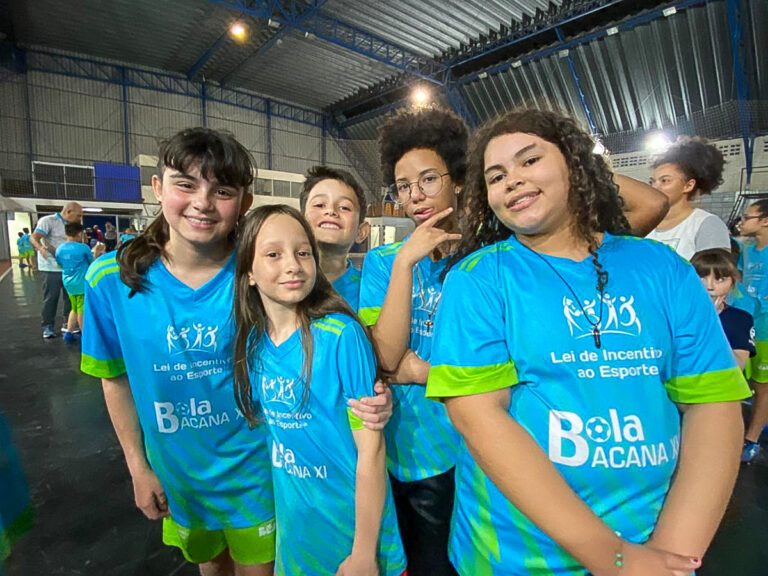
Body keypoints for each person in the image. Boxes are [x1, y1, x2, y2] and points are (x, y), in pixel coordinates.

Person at [426, 109, 749, 576]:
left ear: (576, 168)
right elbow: (478, 418)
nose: (512, 180)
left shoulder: (662, 269)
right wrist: (614, 559)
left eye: (530, 160)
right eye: (496, 176)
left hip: (652, 537)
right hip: (514, 557)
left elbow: (714, 406)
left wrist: (672, 554)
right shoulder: (480, 278)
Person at [360, 106, 670, 576]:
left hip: (507, 448)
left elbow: (649, 206)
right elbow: (386, 361)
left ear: (461, 177)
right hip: (418, 449)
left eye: (428, 178)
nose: (416, 195)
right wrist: (407, 265)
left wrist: (562, 158)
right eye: (403, 186)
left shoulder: (507, 248)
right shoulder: (386, 262)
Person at [80, 128, 276, 576]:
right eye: (185, 184)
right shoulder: (110, 279)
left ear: (244, 203)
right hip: (180, 479)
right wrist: (137, 466)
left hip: (258, 471)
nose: (203, 203)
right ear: (158, 188)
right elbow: (115, 378)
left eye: (222, 191)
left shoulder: (259, 273)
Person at [232, 204, 407, 576]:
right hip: (298, 540)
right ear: (248, 272)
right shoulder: (253, 345)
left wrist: (363, 552)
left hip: (353, 535)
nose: (292, 264)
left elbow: (371, 453)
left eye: (302, 252)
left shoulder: (341, 336)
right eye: (273, 254)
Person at [646, 136, 730, 259]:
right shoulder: (645, 224)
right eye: (652, 182)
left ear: (688, 185)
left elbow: (715, 273)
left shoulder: (706, 224)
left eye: (665, 180)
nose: (655, 187)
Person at [299, 166, 370, 310]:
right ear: (299, 222)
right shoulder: (284, 282)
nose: (331, 211)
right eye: (319, 205)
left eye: (344, 207)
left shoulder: (370, 289)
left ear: (361, 232)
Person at [734, 199, 768, 462]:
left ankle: (752, 439)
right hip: (748, 324)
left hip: (767, 328)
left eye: (748, 217)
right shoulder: (747, 250)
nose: (742, 221)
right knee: (738, 381)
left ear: (765, 221)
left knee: (763, 385)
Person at [691, 249, 755, 370]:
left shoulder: (740, 319)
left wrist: (712, 321)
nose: (709, 286)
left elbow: (738, 365)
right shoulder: (677, 316)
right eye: (701, 278)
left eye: (720, 279)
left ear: (732, 282)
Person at [30, 202, 83, 339]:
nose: (80, 218)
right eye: (78, 215)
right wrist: (40, 248)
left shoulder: (73, 226)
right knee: (51, 297)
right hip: (51, 267)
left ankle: (68, 324)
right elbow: (34, 237)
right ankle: (48, 326)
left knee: (70, 298)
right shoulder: (48, 221)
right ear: (68, 211)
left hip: (68, 268)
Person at [55, 222, 93, 342]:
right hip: (81, 282)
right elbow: (92, 262)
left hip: (68, 282)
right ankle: (85, 335)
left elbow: (59, 264)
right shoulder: (83, 248)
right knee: (82, 309)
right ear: (79, 233)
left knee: (74, 308)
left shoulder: (59, 249)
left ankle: (69, 333)